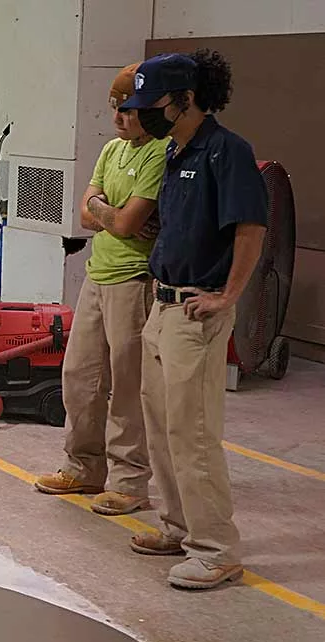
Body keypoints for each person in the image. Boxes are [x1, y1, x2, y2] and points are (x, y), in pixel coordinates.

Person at [118, 50, 267, 589]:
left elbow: (250, 228)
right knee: (160, 426)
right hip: (162, 307)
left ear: (185, 98)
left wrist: (228, 297)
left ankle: (215, 548)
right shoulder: (173, 150)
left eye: (151, 102)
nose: (142, 113)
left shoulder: (227, 151)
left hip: (195, 311)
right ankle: (178, 527)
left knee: (194, 432)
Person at [34, 62, 167, 516]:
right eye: (114, 108)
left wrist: (107, 212)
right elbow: (88, 214)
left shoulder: (160, 154)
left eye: (127, 110)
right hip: (98, 273)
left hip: (135, 280)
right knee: (80, 376)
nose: (118, 118)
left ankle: (130, 481)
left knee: (128, 385)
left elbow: (124, 222)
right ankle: (83, 467)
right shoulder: (112, 150)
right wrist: (111, 213)